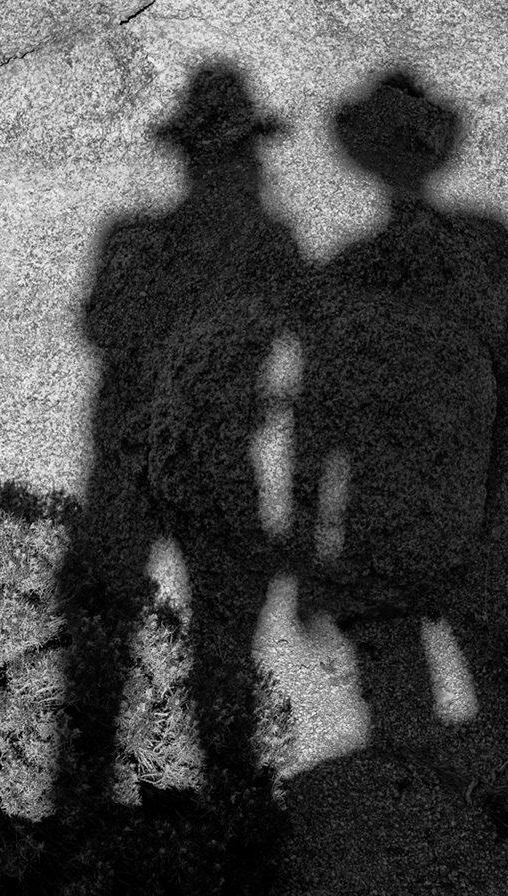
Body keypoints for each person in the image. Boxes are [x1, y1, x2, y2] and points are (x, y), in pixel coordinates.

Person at [60, 61, 307, 806]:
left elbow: (96, 325)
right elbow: (98, 325)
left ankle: (203, 796)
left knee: (206, 620)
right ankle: (190, 796)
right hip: (169, 446)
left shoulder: (150, 237)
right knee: (172, 617)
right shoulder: (237, 240)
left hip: (180, 445)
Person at [292, 68, 508, 760]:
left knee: (432, 678)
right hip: (421, 502)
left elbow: (315, 415)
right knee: (421, 681)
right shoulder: (470, 247)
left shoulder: (374, 263)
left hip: (426, 502)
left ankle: (498, 781)